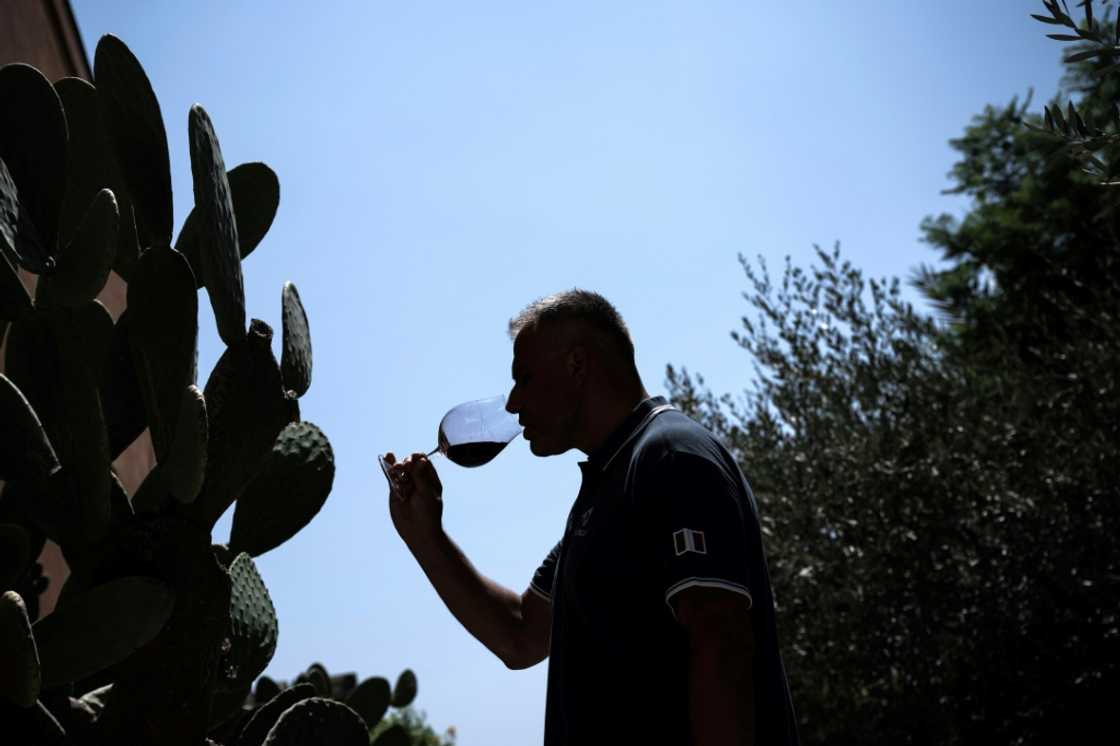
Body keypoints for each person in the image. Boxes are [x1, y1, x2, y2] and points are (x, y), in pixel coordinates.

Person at [384, 289, 799, 746]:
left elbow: (720, 644)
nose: (513, 403)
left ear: (577, 365)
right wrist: (424, 534)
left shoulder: (672, 456)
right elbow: (520, 634)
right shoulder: (606, 488)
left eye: (523, 378)